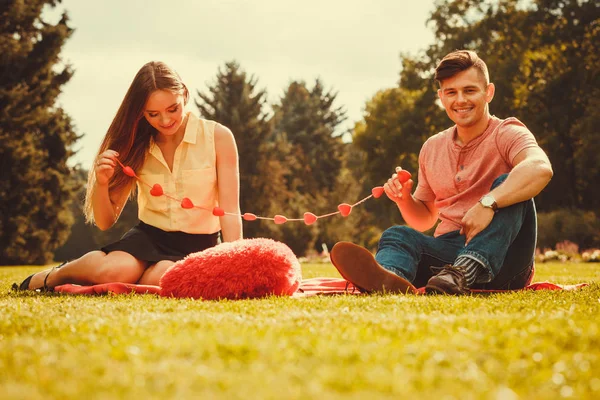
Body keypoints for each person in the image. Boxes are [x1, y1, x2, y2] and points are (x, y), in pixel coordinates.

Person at [330, 50, 553, 295]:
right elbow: (425, 218)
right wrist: (404, 199)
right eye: (451, 92)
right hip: (446, 257)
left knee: (510, 183)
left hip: (506, 259)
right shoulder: (432, 147)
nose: (460, 100)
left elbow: (540, 168)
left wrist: (488, 203)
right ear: (441, 97)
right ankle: (389, 280)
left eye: (469, 90)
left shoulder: (507, 132)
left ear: (488, 92)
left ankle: (464, 272)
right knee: (398, 235)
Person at [14, 61, 242, 291]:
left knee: (164, 276)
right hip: (148, 237)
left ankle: (129, 280)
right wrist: (101, 184)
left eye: (172, 109)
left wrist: (237, 263)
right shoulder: (136, 144)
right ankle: (56, 275)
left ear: (184, 93)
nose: (164, 121)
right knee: (115, 270)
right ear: (141, 112)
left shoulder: (218, 137)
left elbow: (231, 211)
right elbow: (105, 221)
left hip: (200, 243)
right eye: (153, 114)